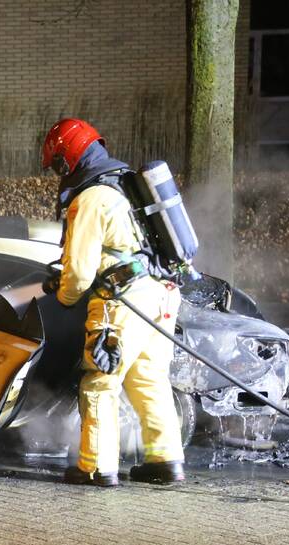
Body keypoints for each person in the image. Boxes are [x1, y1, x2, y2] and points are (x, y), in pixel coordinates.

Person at [40, 118, 185, 486]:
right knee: (149, 379)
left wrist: (63, 295)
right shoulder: (124, 185)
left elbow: (79, 275)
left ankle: (96, 468)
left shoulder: (90, 198)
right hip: (162, 295)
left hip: (122, 303)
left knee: (100, 382)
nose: (59, 171)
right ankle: (165, 461)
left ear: (69, 156)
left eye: (59, 162)